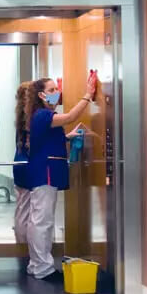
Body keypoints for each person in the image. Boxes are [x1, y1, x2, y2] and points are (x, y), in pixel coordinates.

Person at [12, 76, 97, 279]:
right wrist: (88, 94)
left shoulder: (39, 115)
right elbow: (70, 117)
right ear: (41, 95)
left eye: (56, 89)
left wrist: (67, 137)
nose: (56, 93)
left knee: (39, 220)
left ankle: (37, 265)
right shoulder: (42, 115)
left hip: (42, 172)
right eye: (51, 90)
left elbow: (46, 138)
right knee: (42, 221)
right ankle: (42, 268)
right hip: (45, 173)